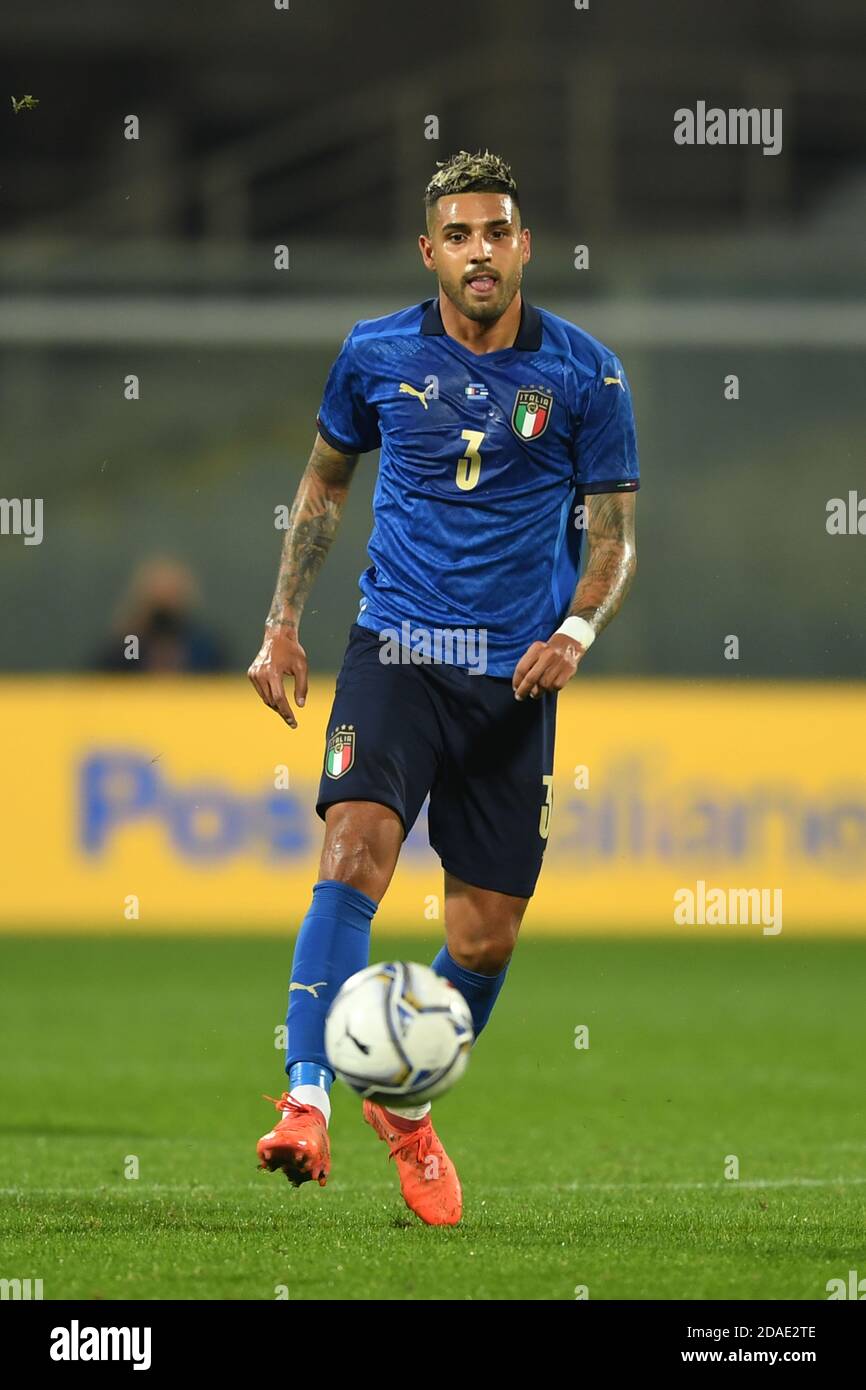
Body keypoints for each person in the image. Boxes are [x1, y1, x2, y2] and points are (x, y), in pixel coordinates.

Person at [248, 149, 639, 1226]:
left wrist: (572, 628)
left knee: (483, 938)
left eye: (495, 231)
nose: (478, 251)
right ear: (429, 250)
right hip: (396, 654)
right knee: (352, 849)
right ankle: (304, 1097)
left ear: (522, 245)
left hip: (511, 680)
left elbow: (613, 543)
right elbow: (325, 482)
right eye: (457, 235)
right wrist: (282, 622)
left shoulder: (584, 375)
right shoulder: (374, 354)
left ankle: (403, 1107)